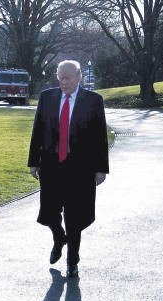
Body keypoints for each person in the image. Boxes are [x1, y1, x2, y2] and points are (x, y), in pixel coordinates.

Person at [27, 60, 109, 278]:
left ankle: (73, 260)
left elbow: (100, 136)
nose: (63, 82)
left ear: (79, 77)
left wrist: (101, 169)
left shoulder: (93, 101)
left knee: (75, 217)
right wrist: (34, 161)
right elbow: (37, 130)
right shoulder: (47, 98)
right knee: (49, 214)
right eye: (60, 77)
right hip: (52, 166)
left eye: (68, 78)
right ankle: (58, 237)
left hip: (80, 168)